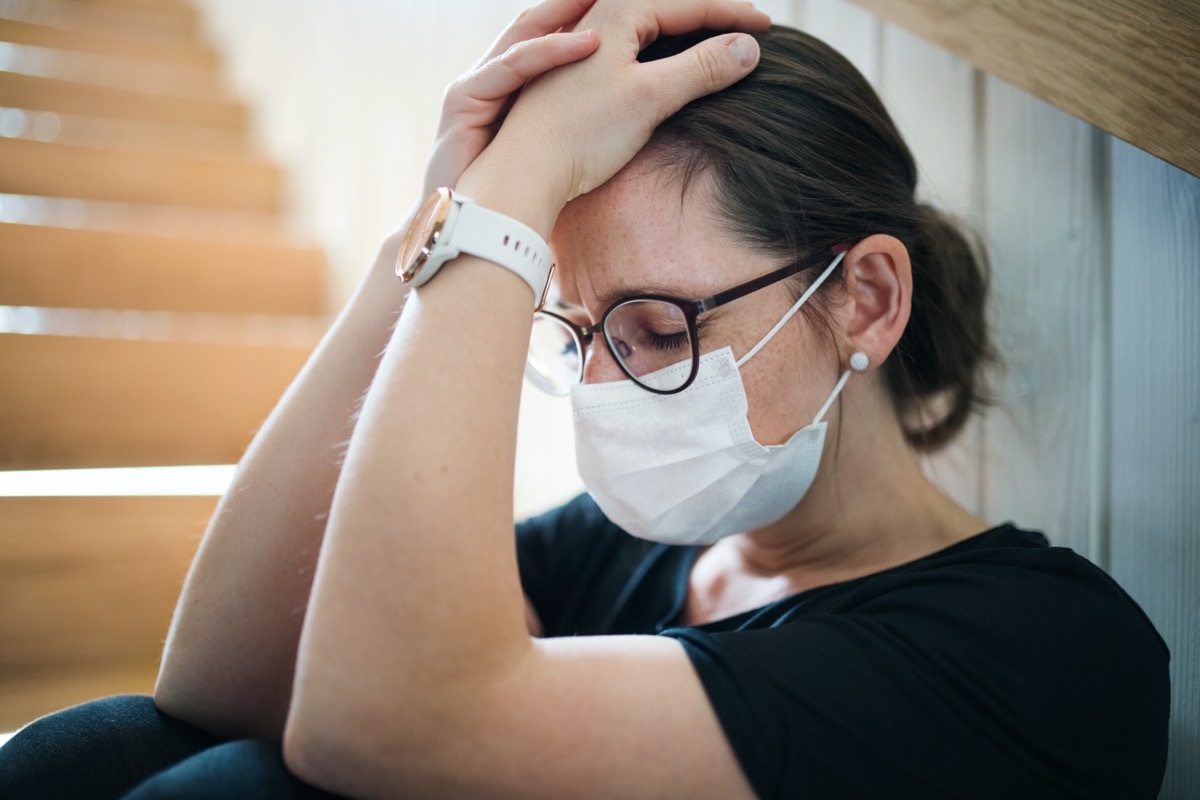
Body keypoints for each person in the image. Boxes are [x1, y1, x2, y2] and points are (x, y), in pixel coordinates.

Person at [0, 0, 1169, 797]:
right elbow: (219, 679)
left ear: (862, 299)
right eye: (575, 328)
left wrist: (509, 201)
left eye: (657, 328)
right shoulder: (628, 547)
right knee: (99, 748)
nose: (603, 389)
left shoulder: (1050, 653)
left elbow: (379, 720)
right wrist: (435, 221)